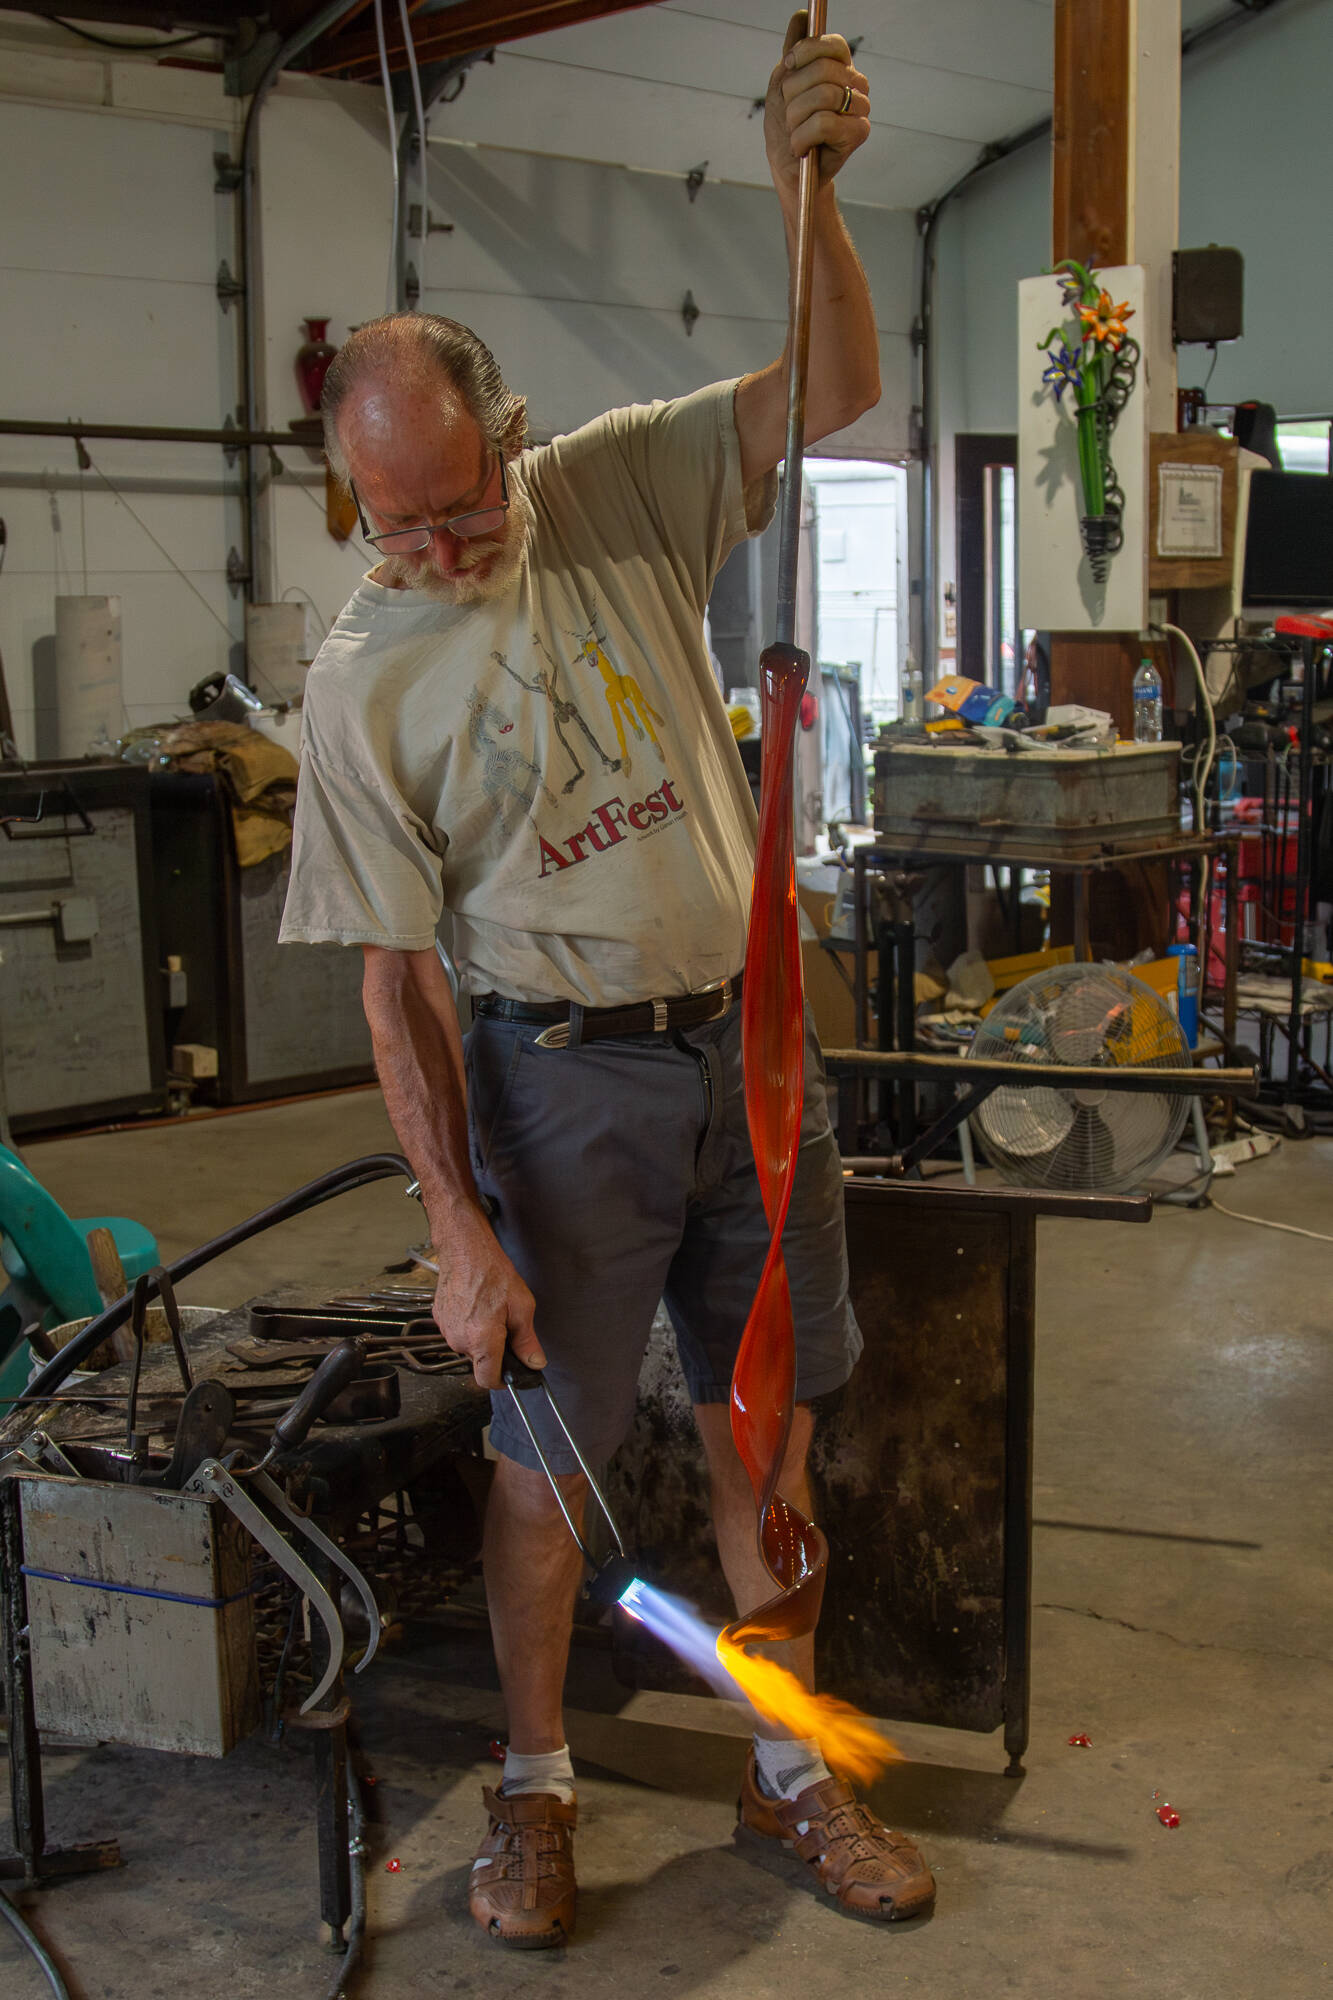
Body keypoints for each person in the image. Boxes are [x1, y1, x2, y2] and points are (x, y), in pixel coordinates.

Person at [281, 12, 935, 1946]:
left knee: (766, 1432)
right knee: (547, 1461)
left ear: (511, 433)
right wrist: (455, 1223)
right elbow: (395, 988)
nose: (434, 544)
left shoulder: (620, 487)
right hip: (557, 1085)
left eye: (460, 504)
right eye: (392, 520)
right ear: (351, 489)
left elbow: (834, 375)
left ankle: (790, 1766)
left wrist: (803, 187)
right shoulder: (361, 680)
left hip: (749, 1053)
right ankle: (536, 1788)